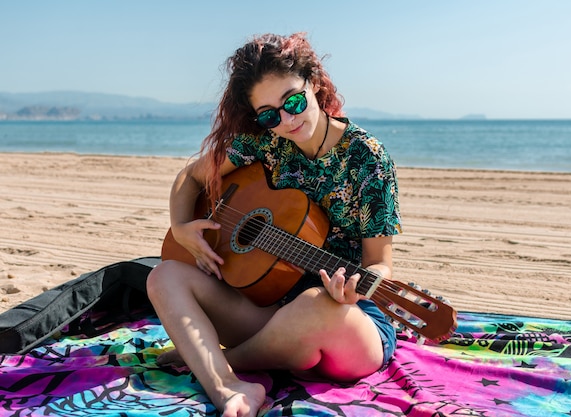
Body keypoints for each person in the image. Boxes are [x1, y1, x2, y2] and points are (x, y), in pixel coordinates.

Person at [146, 32, 402, 417]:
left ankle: (216, 359)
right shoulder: (265, 144)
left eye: (293, 101)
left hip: (346, 320)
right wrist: (181, 227)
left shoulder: (368, 159)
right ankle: (227, 388)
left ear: (314, 84)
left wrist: (354, 290)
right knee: (162, 276)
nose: (286, 119)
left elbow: (379, 264)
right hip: (269, 307)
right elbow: (191, 178)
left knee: (314, 305)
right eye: (269, 114)